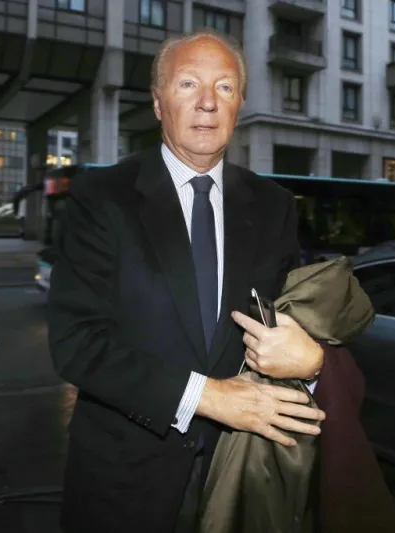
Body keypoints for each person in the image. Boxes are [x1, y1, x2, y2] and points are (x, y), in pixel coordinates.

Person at [46, 29, 327, 533]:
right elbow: (77, 344)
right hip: (123, 483)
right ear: (158, 104)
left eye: (223, 88)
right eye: (187, 85)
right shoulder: (102, 196)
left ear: (239, 104)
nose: (206, 103)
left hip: (238, 479)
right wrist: (209, 397)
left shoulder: (273, 206)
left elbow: (287, 323)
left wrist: (311, 366)